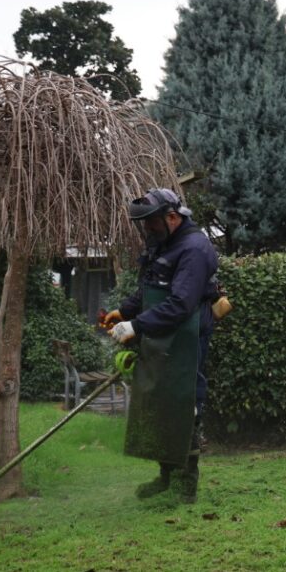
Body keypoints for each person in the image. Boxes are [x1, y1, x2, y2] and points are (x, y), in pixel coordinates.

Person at [104, 188, 218, 504]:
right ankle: (166, 478)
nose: (147, 230)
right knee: (160, 406)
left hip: (187, 338)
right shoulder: (165, 244)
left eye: (151, 223)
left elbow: (181, 304)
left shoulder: (194, 249)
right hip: (164, 335)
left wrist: (136, 326)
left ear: (172, 217)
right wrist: (125, 310)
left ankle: (185, 486)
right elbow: (151, 287)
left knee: (184, 406)